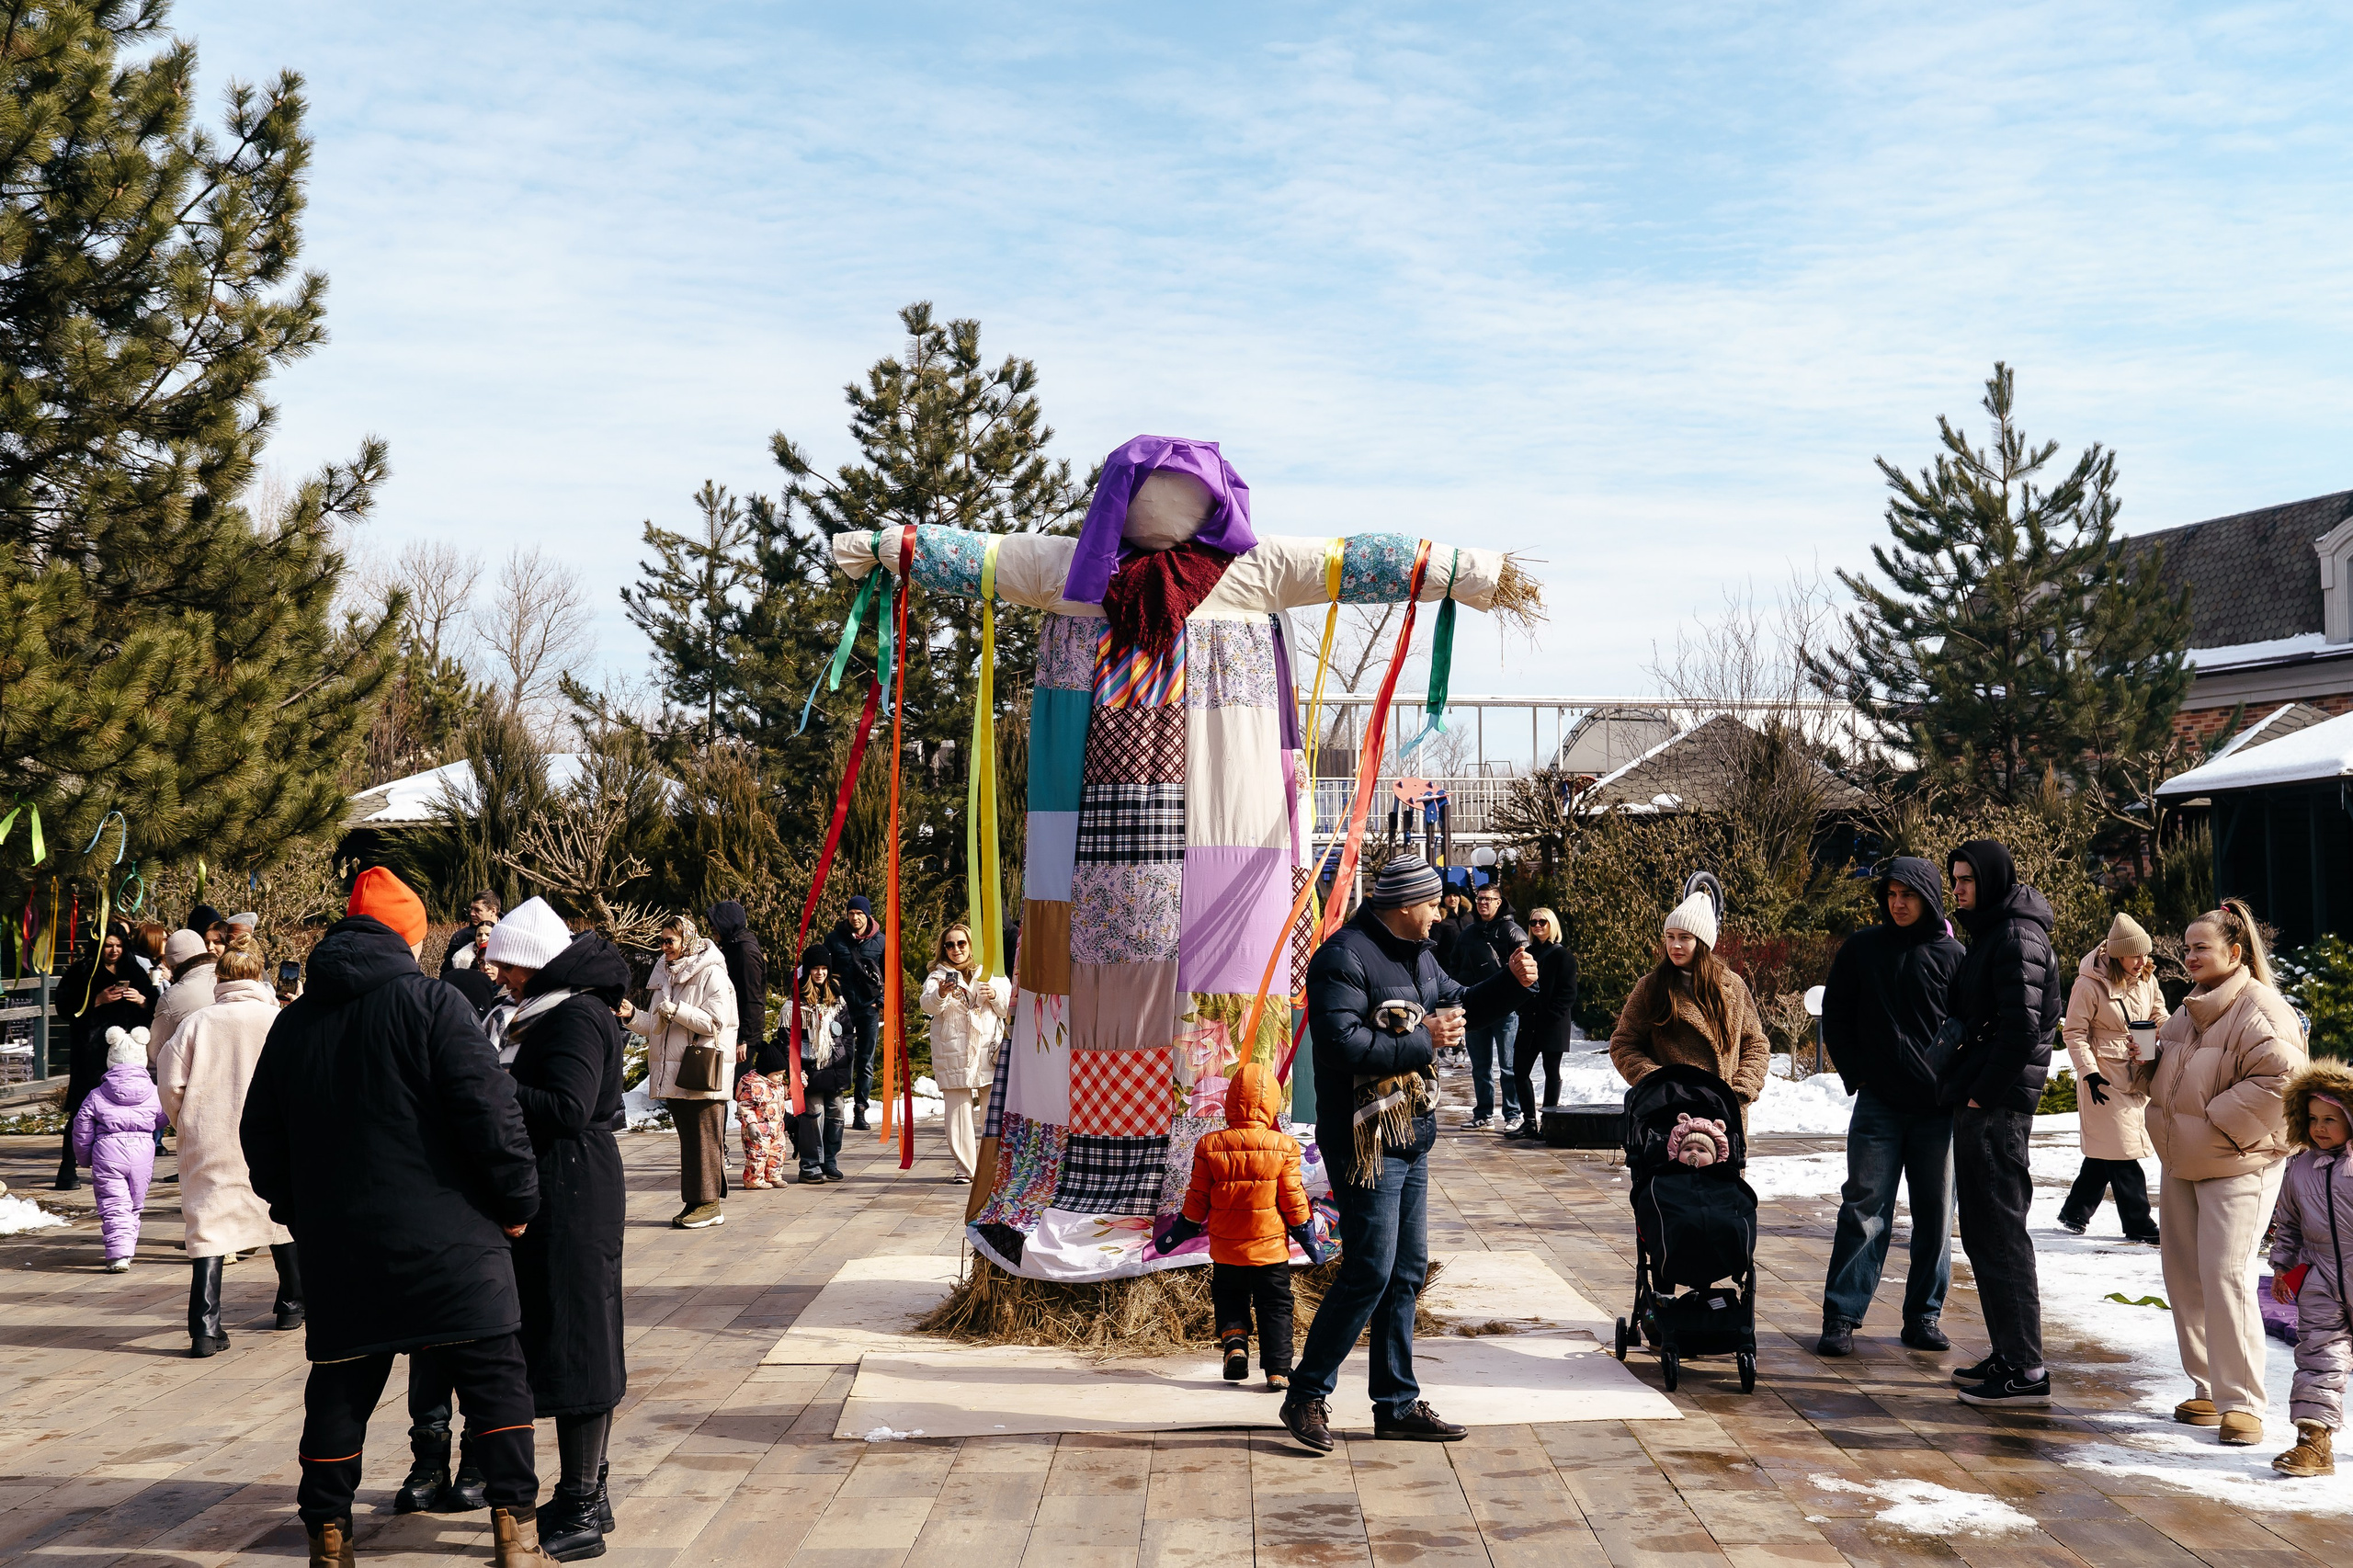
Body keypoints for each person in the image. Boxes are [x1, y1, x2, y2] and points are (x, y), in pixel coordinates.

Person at [239, 867, 559, 1568]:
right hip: (451, 1237)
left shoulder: (294, 1023)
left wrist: (300, 1210)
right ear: (408, 938)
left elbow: (259, 1134)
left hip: (342, 1245)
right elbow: (491, 1114)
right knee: (495, 1376)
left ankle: (329, 1536)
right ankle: (517, 1535)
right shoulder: (433, 1004)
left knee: (340, 1384)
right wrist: (517, 1204)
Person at [1280, 852, 1537, 1455]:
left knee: (1405, 1273)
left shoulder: (1419, 953)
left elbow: (1460, 1002)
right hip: (1364, 1140)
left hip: (1411, 1133)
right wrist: (1424, 1038)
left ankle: (1395, 1404)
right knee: (1370, 1268)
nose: (1441, 912)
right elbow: (1341, 1044)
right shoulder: (1342, 957)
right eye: (1431, 903)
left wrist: (1512, 982)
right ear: (1402, 907)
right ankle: (1307, 1393)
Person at [2131, 899, 2303, 1446]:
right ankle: (2208, 1389)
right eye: (2185, 948)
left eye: (2200, 947)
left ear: (2234, 950)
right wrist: (2147, 1061)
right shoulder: (2190, 1008)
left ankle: (2244, 1402)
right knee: (2186, 1277)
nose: (2189, 957)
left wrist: (2215, 1124)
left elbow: (2283, 1082)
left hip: (2237, 1163)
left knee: (2227, 1276)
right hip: (2183, 1164)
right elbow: (2171, 1077)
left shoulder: (2262, 1008)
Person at [487, 915, 632, 1560]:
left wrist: (492, 1085)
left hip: (575, 1190)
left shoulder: (574, 1016)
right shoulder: (547, 1011)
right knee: (568, 1332)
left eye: (509, 966)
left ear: (538, 964)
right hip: (558, 1189)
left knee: (581, 1341)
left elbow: (570, 1108)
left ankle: (580, 1500)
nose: (501, 977)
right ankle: (587, 1491)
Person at [1814, 858, 1966, 1357]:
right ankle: (1841, 1316)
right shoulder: (1862, 949)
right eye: (1891, 894)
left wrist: (1953, 1082)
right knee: (1864, 1209)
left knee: (1936, 1214)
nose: (1898, 904)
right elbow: (1835, 1013)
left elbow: (1969, 1026)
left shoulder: (1953, 957)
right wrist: (1857, 1072)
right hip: (1878, 1106)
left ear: (1929, 898)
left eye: (1909, 895)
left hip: (1936, 1111)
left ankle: (1924, 1316)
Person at [1943, 839, 2065, 1409]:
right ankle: (2009, 1352)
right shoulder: (1995, 929)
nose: (1959, 889)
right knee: (1984, 1232)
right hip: (1984, 1102)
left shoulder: (2017, 935)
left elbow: (2021, 1029)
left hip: (1997, 1107)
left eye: (1967, 879)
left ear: (1991, 880)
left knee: (2000, 1233)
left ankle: (2026, 1369)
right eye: (1956, 879)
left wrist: (1979, 1096)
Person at [159, 933, 301, 1354]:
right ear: (259, 975)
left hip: (210, 1134)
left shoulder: (197, 1022)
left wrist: (183, 1122)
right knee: (279, 1215)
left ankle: (205, 1325)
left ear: (219, 978)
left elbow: (170, 1082)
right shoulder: (278, 1019)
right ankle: (292, 1303)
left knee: (208, 1228)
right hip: (271, 1134)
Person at [1157, 1061, 1317, 1390]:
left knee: (1230, 1296)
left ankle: (1235, 1347)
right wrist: (1308, 1235)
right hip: (1270, 1247)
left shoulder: (1210, 1144)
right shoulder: (1284, 1146)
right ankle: (1277, 1371)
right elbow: (1293, 1197)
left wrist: (1180, 1231)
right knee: (1275, 1304)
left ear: (1230, 1102)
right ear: (1271, 1102)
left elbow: (1197, 1196)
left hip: (1226, 1244)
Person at [1608, 892, 1771, 1124]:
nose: (1675, 945)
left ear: (1702, 942)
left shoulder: (1732, 986)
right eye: (1669, 936)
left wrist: (1740, 1091)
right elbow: (1623, 1043)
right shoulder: (1650, 987)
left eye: (1684, 937)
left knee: (1720, 1160)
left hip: (1723, 1114)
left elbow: (1756, 1043)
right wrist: (1659, 1082)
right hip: (1669, 1113)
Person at [2058, 913, 2167, 1244]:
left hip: (2138, 1071)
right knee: (2123, 1152)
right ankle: (2139, 1225)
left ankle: (2075, 1210)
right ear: (2117, 952)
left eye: (2145, 954)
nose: (2142, 961)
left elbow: (2159, 1015)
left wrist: (2167, 1030)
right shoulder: (2088, 984)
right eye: (2135, 954)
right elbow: (2074, 1032)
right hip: (2102, 1079)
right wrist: (2088, 1073)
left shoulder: (2148, 979)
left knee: (2107, 1150)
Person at [2268, 1059, 2353, 1478]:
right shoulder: (2300, 1168)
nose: (2320, 1128)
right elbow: (2290, 1223)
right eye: (2313, 1119)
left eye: (2332, 1120)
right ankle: (2313, 1442)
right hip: (2320, 1281)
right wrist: (2283, 1267)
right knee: (2318, 1358)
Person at [627, 912, 739, 1229]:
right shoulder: (664, 973)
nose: (664, 947)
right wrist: (630, 1014)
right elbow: (655, 1026)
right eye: (661, 941)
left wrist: (676, 1009)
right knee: (690, 1140)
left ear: (686, 940)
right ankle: (696, 1202)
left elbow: (715, 1021)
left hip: (701, 1069)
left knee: (705, 1137)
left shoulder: (712, 974)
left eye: (670, 941)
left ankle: (710, 1204)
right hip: (674, 1072)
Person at [53, 927, 156, 1189]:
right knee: (84, 1109)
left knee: (125, 1111)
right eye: (109, 945)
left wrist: (142, 1000)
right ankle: (67, 1169)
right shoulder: (81, 971)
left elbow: (156, 1007)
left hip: (127, 1052)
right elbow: (65, 1007)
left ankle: (123, 1167)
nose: (114, 951)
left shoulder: (133, 970)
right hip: (92, 1051)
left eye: (119, 945)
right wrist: (96, 1000)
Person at [918, 923, 1009, 1183]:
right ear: (943, 948)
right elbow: (928, 1005)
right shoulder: (938, 976)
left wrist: (994, 995)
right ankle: (965, 1169)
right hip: (953, 1051)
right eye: (950, 944)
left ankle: (993, 1166)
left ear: (971, 945)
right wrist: (941, 994)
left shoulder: (990, 972)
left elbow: (1008, 1005)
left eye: (961, 943)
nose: (956, 949)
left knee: (994, 1112)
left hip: (987, 1050)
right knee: (958, 1113)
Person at [72, 1028, 165, 1272]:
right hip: (143, 1151)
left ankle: (119, 1254)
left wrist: (83, 1158)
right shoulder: (154, 1092)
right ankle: (126, 1249)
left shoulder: (96, 1095)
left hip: (108, 1152)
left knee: (113, 1203)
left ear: (111, 1060)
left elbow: (81, 1129)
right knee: (135, 1203)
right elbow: (164, 1118)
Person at [1447, 881, 1529, 1130]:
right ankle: (1483, 1113)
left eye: (1488, 899)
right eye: (1480, 898)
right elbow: (1454, 966)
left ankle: (1513, 1114)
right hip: (1474, 1007)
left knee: (1509, 1066)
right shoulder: (1468, 933)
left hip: (1504, 1010)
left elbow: (1527, 973)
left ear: (1499, 902)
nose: (1483, 903)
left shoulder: (1513, 932)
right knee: (1480, 1067)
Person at [1506, 907, 1577, 1142]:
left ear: (1551, 925)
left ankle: (1549, 1122)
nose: (1537, 926)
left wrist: (1551, 1013)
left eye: (1542, 922)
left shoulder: (1563, 956)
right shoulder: (1527, 952)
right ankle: (1528, 1122)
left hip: (1552, 1024)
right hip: (1529, 1022)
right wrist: (1521, 1006)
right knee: (1520, 1071)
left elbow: (1568, 994)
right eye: (1533, 922)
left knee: (1551, 1072)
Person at [825, 895, 886, 1129]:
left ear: (867, 915)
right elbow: (825, 970)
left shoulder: (880, 941)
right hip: (842, 1009)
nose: (855, 917)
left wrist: (879, 1002)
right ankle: (836, 1107)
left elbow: (889, 974)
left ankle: (860, 1110)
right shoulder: (834, 939)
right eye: (851, 913)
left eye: (859, 913)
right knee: (840, 1058)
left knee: (866, 1060)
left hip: (868, 1009)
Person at [792, 949, 850, 1185]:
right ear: (807, 970)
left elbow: (847, 1032)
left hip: (835, 1067)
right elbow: (789, 1037)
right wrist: (796, 1071)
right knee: (814, 1114)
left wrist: (845, 1057)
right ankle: (809, 1163)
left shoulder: (836, 997)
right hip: (810, 1069)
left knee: (837, 1112)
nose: (820, 973)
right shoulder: (796, 999)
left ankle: (830, 1160)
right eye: (815, 968)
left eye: (824, 968)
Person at [441, 890, 505, 979]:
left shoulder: (511, 933)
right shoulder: (460, 938)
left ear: (493, 911)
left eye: (477, 910)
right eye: (471, 909)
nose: (472, 913)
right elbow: (446, 975)